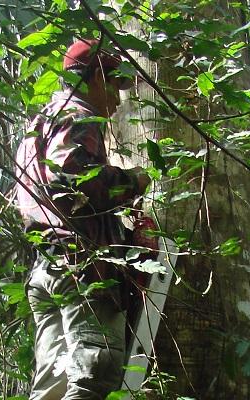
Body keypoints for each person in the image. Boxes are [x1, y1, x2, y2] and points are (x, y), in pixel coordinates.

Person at [15, 38, 151, 400]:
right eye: (113, 85)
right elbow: (72, 178)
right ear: (91, 79)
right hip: (81, 266)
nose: (118, 100)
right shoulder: (77, 115)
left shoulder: (39, 125)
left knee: (52, 386)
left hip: (47, 267)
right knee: (94, 374)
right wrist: (131, 181)